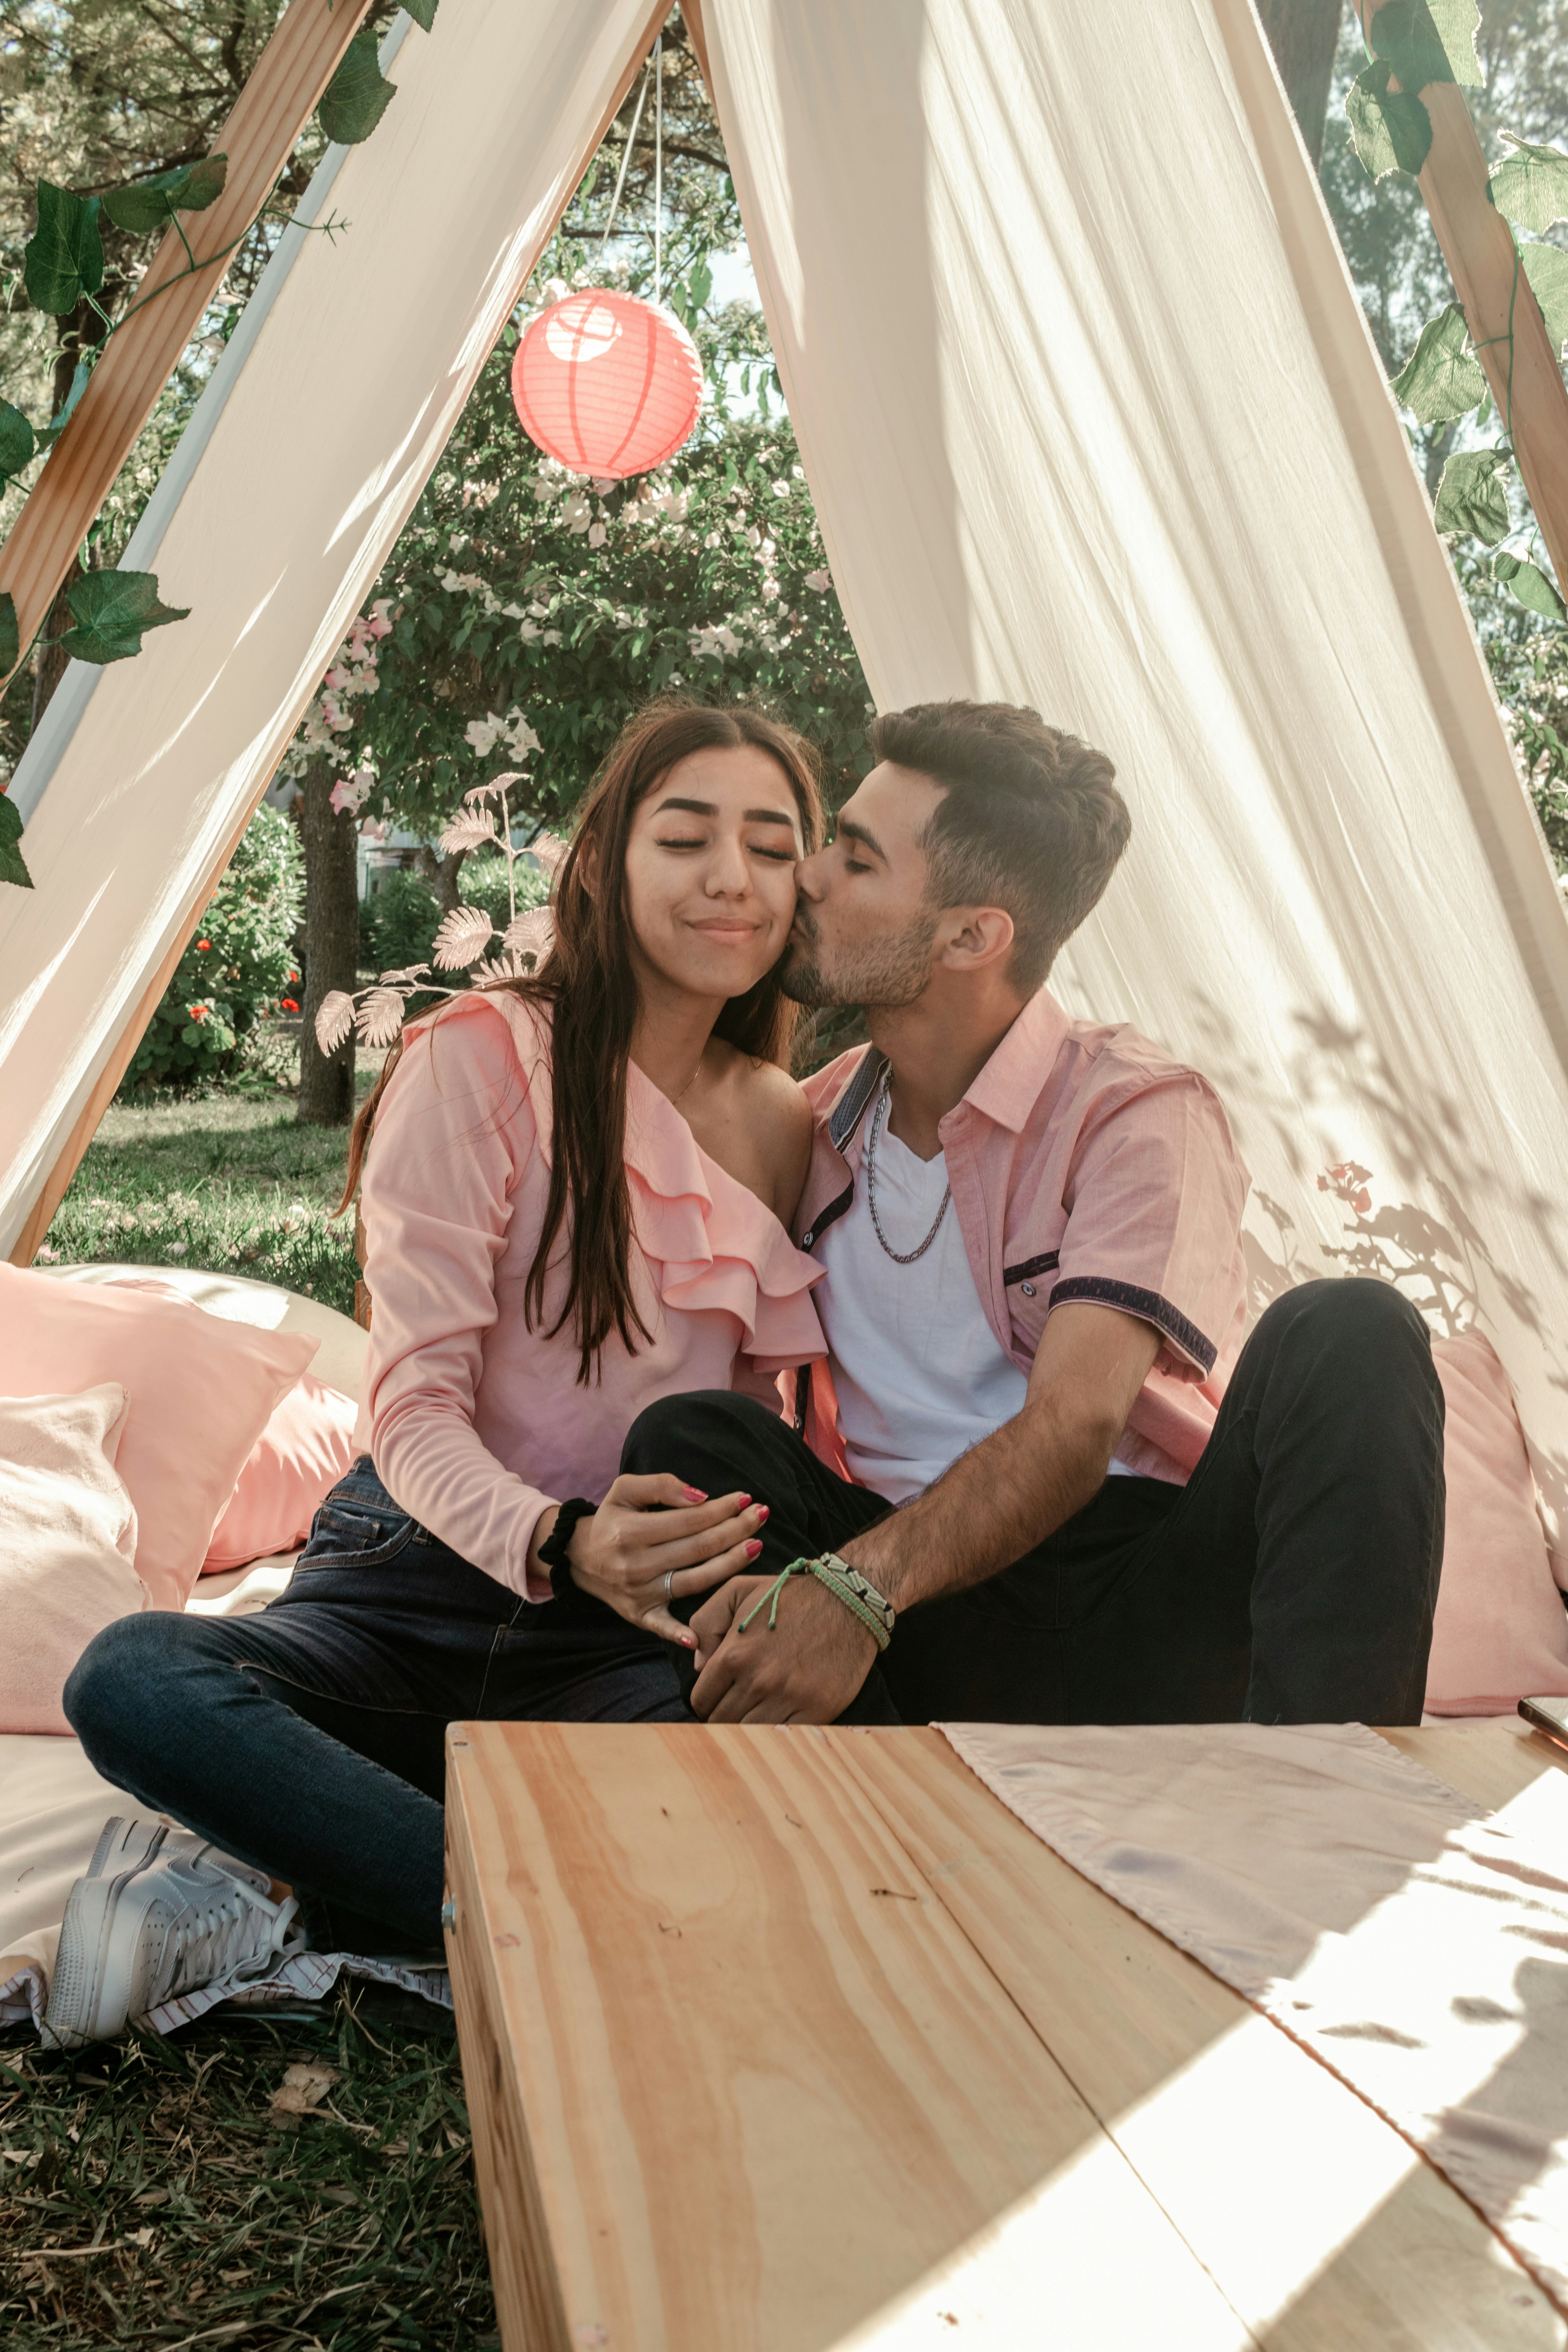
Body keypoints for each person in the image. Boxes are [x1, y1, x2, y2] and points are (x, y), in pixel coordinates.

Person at [53, 699, 833, 2042]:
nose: (732, 879)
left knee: (759, 1810)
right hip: (412, 1585)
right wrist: (561, 1536)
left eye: (773, 848)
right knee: (134, 1678)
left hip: (621, 1634)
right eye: (688, 837)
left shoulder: (782, 1121)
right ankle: (505, 1918)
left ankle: (340, 1883)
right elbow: (408, 1405)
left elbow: (755, 1424)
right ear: (602, 864)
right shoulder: (483, 1057)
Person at [617, 699, 1446, 1730]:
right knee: (692, 1437)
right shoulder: (814, 1125)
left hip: (1132, 1606)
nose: (810, 877)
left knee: (1353, 1329)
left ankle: (1328, 1808)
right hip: (909, 1620)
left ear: (972, 934)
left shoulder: (1132, 1111)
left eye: (859, 860)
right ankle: (866, 1811)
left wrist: (851, 1589)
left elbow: (1073, 1426)